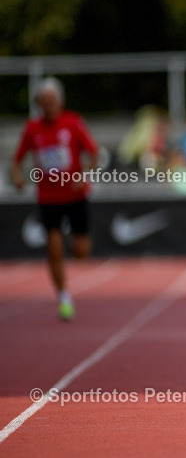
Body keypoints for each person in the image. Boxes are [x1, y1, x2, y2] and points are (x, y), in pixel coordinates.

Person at [10, 78, 99, 321]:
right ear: (38, 103)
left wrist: (85, 175)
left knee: (81, 251)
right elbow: (16, 160)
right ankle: (63, 296)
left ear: (60, 101)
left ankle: (73, 237)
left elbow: (93, 152)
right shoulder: (32, 129)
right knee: (53, 248)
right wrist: (18, 178)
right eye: (44, 101)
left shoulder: (72, 123)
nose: (48, 106)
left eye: (52, 101)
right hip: (49, 197)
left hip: (75, 194)